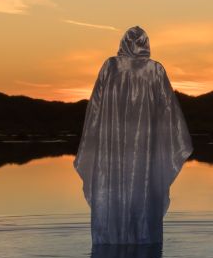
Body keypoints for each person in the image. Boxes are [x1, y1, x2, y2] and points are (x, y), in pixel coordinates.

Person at [74, 26, 193, 244]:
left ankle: (112, 246)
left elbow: (95, 114)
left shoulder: (109, 68)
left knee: (115, 196)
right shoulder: (156, 70)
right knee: (143, 191)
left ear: (122, 43)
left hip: (113, 152)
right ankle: (142, 248)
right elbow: (169, 115)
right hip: (144, 152)